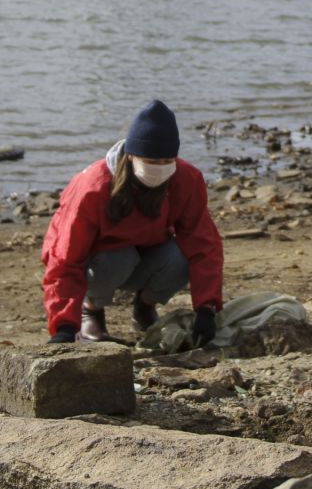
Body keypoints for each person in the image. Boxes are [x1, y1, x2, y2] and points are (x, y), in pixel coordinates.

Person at [41, 99, 224, 345]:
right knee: (119, 257)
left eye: (166, 161)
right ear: (130, 156)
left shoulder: (186, 179)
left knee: (181, 256)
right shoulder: (92, 188)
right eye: (151, 162)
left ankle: (144, 306)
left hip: (149, 254)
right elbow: (65, 260)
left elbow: (204, 243)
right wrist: (63, 325)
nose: (160, 169)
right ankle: (91, 310)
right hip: (101, 264)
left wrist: (206, 308)